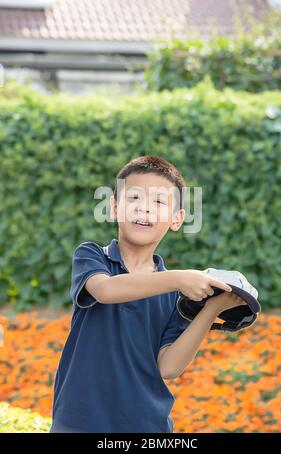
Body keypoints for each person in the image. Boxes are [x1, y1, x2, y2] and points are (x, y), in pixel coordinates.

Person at [50, 155, 245, 433]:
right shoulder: (92, 256)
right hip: (79, 422)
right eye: (134, 199)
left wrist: (211, 309)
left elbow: (169, 367)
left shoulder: (177, 296)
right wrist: (178, 278)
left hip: (147, 427)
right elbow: (105, 290)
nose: (145, 209)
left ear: (177, 219)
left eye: (158, 202)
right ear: (115, 208)